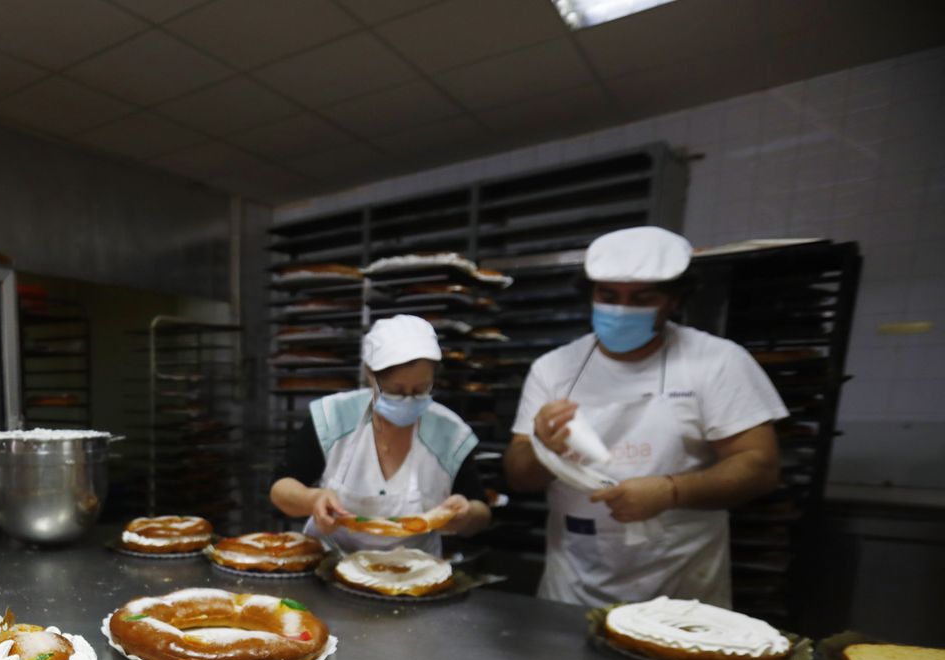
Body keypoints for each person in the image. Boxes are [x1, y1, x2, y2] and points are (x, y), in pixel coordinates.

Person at [502, 225, 786, 608]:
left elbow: (760, 466)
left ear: (673, 300)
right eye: (608, 296)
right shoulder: (554, 368)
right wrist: (542, 449)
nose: (621, 310)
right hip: (573, 583)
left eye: (641, 298)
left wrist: (672, 491)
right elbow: (519, 476)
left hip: (681, 584)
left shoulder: (718, 361)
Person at [270, 314, 492, 554]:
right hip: (332, 562)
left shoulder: (449, 434)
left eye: (420, 390)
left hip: (415, 569)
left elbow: (481, 511)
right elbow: (281, 487)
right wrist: (312, 499)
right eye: (396, 391)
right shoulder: (333, 417)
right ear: (370, 376)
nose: (408, 400)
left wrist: (467, 515)